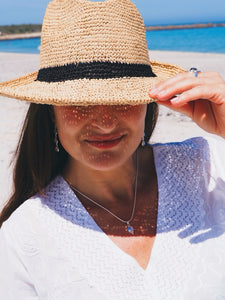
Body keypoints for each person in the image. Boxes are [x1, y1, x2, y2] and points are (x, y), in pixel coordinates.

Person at [0, 0, 224, 299]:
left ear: (148, 100)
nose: (105, 122)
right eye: (80, 103)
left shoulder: (210, 166)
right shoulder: (22, 239)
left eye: (123, 99)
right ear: (50, 110)